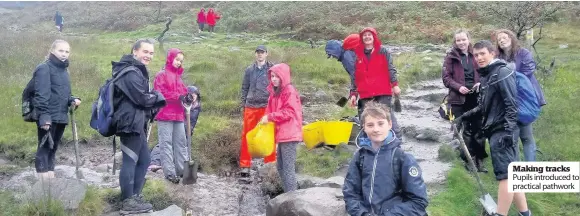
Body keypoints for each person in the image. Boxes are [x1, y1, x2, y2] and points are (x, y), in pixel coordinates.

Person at [456, 40, 530, 216]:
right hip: (496, 129)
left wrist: (509, 131)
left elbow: (512, 104)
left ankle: (500, 214)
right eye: (476, 55)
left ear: (492, 53)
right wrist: (462, 117)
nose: (479, 58)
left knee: (505, 176)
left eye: (483, 54)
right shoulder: (487, 75)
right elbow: (483, 106)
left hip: (503, 130)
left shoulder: (502, 72)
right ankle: (525, 213)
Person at [343, 101, 428, 216]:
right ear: (364, 127)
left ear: (390, 124)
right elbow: (350, 193)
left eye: (380, 124)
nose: (376, 129)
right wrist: (362, 214)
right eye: (370, 125)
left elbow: (418, 202)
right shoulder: (360, 156)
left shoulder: (403, 158)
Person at [111, 39, 166, 214]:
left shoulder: (137, 71)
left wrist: (151, 105)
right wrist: (158, 97)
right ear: (135, 51)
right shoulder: (130, 72)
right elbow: (141, 98)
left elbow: (140, 99)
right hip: (129, 124)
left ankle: (134, 196)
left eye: (151, 53)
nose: (148, 55)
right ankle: (128, 201)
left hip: (136, 122)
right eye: (145, 52)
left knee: (144, 160)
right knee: (130, 160)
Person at [495, 29, 546, 162]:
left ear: (511, 38)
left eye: (504, 37)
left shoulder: (523, 53)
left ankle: (530, 167)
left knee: (527, 136)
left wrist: (507, 80)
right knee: (513, 137)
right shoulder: (498, 58)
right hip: (507, 101)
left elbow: (527, 72)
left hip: (525, 99)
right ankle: (517, 169)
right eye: (499, 39)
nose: (502, 40)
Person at [32, 39, 81, 180]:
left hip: (61, 116)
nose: (64, 54)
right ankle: (42, 184)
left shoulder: (64, 70)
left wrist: (72, 100)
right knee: (44, 147)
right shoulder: (44, 68)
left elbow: (64, 94)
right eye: (61, 50)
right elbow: (41, 95)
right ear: (52, 51)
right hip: (47, 116)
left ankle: (50, 181)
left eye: (67, 51)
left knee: (53, 149)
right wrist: (44, 117)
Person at [442, 29, 488, 172]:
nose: (461, 42)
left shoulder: (476, 54)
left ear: (469, 39)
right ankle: (469, 160)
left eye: (463, 39)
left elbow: (486, 72)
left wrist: (480, 82)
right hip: (459, 99)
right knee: (465, 131)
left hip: (476, 97)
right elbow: (446, 78)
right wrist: (458, 87)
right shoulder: (450, 57)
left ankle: (480, 159)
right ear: (455, 42)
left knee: (478, 129)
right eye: (458, 40)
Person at [350, 27, 403, 141]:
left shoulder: (383, 51)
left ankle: (396, 141)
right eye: (365, 35)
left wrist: (395, 85)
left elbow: (390, 68)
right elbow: (355, 76)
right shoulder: (358, 54)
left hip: (382, 91)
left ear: (374, 37)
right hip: (365, 93)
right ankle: (369, 144)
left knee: (386, 117)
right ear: (362, 38)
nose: (367, 37)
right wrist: (353, 93)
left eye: (370, 35)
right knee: (366, 119)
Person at [258, 63, 303, 193]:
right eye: (272, 76)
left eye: (277, 76)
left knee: (288, 169)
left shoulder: (289, 90)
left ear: (284, 76)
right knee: (281, 167)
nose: (274, 79)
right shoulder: (275, 91)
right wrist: (264, 119)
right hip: (282, 134)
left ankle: (292, 197)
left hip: (290, 134)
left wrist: (270, 117)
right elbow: (269, 109)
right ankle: (289, 194)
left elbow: (290, 112)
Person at [239, 45, 276, 179]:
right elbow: (244, 87)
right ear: (255, 54)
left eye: (262, 52)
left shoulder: (272, 69)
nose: (260, 55)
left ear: (267, 54)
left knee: (269, 135)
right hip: (250, 106)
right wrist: (243, 103)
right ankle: (245, 165)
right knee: (247, 136)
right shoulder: (249, 70)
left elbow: (276, 86)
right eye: (258, 53)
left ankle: (270, 165)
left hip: (266, 107)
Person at [153, 48, 189, 184]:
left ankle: (182, 171)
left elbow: (183, 92)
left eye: (181, 61)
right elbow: (159, 94)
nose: (179, 63)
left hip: (178, 115)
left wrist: (188, 97)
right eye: (177, 59)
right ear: (170, 58)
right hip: (164, 114)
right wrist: (178, 96)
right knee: (165, 143)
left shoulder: (178, 77)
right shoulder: (161, 75)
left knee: (181, 143)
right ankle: (169, 173)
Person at [149, 85, 201, 172]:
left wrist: (189, 132)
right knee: (165, 144)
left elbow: (192, 121)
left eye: (195, 94)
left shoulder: (197, 107)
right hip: (176, 126)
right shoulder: (182, 103)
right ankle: (154, 163)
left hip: (187, 131)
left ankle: (183, 169)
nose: (193, 96)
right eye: (191, 94)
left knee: (184, 149)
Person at [325, 34, 359, 101]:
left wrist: (353, 91)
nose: (333, 57)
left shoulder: (346, 57)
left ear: (335, 51)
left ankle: (342, 105)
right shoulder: (346, 53)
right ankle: (343, 105)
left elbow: (355, 74)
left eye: (332, 54)